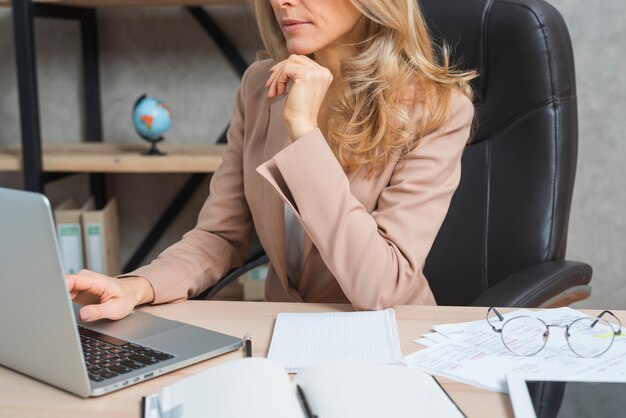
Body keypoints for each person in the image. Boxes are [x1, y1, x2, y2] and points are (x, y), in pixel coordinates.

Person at [68, 0, 476, 322]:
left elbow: (382, 288)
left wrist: (303, 131)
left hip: (389, 336)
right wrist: (138, 287)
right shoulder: (259, 86)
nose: (282, 2)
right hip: (281, 331)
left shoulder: (437, 109)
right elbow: (220, 237)